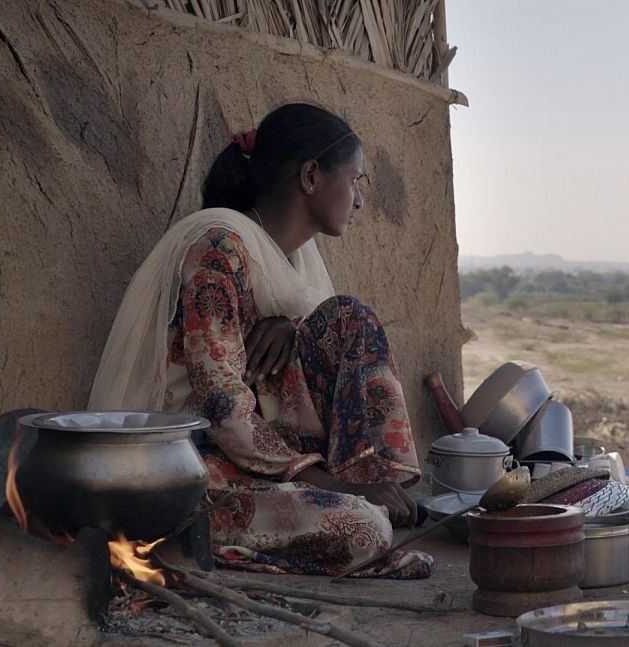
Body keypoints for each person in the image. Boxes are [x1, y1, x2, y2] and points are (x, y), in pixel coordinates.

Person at [88, 103, 430, 579]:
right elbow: (220, 407)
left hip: (264, 461)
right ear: (310, 176)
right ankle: (188, 540)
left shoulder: (295, 261)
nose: (360, 200)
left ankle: (372, 497)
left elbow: (314, 343)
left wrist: (291, 325)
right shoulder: (217, 249)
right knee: (360, 529)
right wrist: (333, 487)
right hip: (189, 464)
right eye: (354, 180)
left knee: (354, 320)